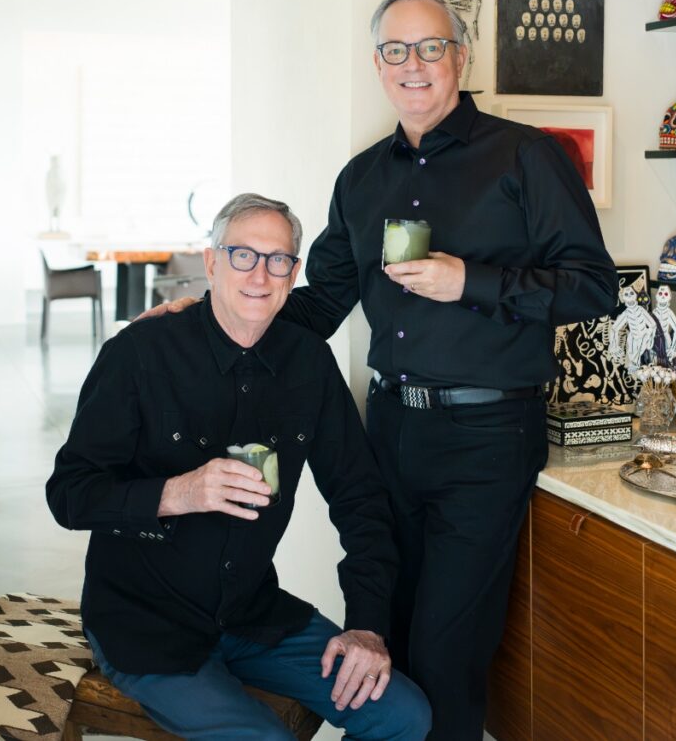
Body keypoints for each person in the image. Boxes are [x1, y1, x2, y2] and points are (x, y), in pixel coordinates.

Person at [148, 0, 617, 739]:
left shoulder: (525, 156)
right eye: (396, 51)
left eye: (430, 47)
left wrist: (473, 281)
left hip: (489, 435)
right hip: (389, 429)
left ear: (459, 56)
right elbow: (319, 303)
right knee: (385, 640)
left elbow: (595, 287)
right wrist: (213, 311)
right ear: (378, 65)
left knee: (446, 650)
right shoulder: (360, 178)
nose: (414, 65)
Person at [47, 193, 431, 740]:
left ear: (293, 273)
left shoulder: (308, 363)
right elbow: (69, 494)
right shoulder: (139, 354)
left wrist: (367, 625)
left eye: (277, 260)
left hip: (254, 617)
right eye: (242, 255)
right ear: (211, 263)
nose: (260, 274)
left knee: (404, 714)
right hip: (145, 624)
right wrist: (178, 493)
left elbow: (361, 498)